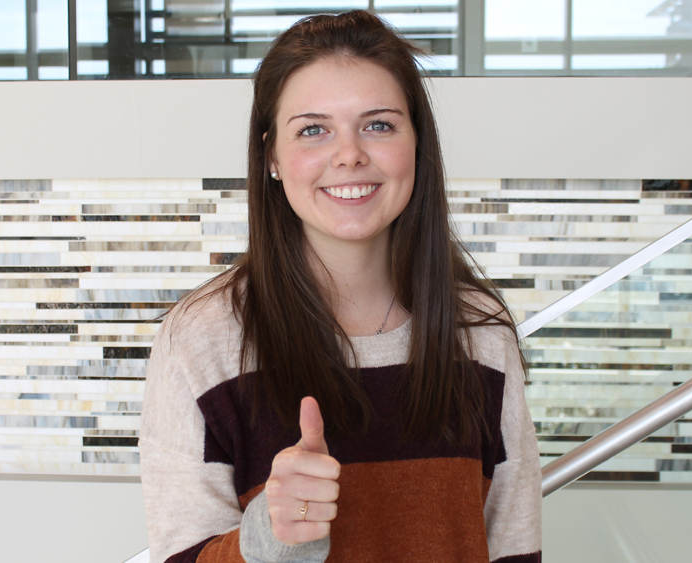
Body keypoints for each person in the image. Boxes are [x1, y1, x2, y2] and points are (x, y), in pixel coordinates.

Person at [139, 10, 541, 562]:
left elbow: (515, 549)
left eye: (378, 125)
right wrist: (270, 538)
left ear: (417, 146)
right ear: (272, 158)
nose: (349, 154)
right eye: (313, 129)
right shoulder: (203, 338)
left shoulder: (479, 330)